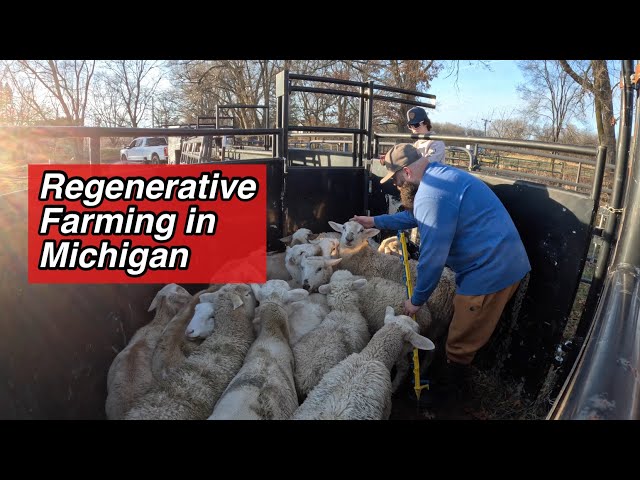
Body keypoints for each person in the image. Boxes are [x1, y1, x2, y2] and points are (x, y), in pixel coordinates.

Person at [352, 142, 531, 404]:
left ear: (407, 172)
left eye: (397, 179)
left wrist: (416, 300)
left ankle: (452, 398)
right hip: (502, 260)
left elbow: (432, 259)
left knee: (458, 345)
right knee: (463, 334)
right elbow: (417, 217)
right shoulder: (440, 176)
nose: (397, 185)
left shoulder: (431, 195)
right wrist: (376, 222)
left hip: (489, 273)